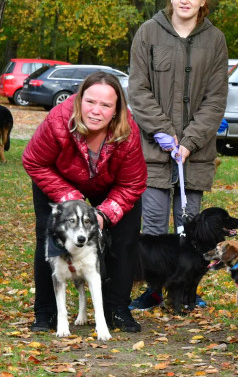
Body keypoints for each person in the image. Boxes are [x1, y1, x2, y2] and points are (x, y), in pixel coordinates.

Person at [128, 0, 228, 310]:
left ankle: (185, 288)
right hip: (154, 150)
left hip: (194, 155)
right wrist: (165, 133)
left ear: (203, 1)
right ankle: (154, 289)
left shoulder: (214, 40)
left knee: (192, 228)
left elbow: (216, 99)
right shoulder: (148, 33)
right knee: (154, 226)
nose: (184, 0)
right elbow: (138, 90)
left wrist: (189, 141)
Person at [24, 71, 148, 333]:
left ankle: (117, 309)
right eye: (90, 102)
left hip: (111, 186)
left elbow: (132, 183)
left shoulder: (128, 133)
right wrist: (72, 200)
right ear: (79, 100)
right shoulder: (58, 120)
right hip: (58, 181)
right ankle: (45, 312)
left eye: (105, 105)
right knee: (49, 238)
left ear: (116, 110)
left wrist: (103, 214)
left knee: (125, 240)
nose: (96, 111)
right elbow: (34, 161)